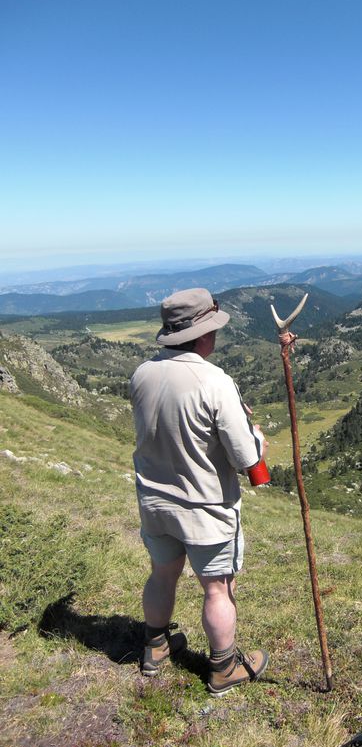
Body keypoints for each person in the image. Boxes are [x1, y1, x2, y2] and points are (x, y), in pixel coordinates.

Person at [130, 288, 269, 695]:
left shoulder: (142, 373)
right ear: (204, 335)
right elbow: (246, 458)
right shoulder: (214, 381)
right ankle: (223, 668)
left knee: (162, 573)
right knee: (217, 587)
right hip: (205, 507)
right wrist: (258, 438)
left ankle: (155, 647)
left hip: (154, 500)